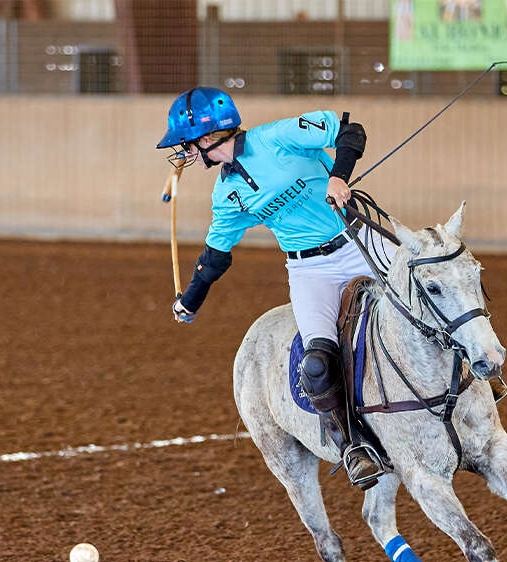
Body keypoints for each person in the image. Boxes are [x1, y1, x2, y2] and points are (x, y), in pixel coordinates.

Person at [156, 87, 382, 489]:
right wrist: (189, 300)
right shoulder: (226, 195)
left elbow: (350, 131)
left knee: (433, 288)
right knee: (317, 361)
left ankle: (476, 371)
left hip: (358, 242)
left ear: (207, 137)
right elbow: (215, 255)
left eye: (186, 145)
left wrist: (337, 177)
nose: (184, 154)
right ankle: (353, 448)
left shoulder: (278, 136)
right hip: (309, 269)